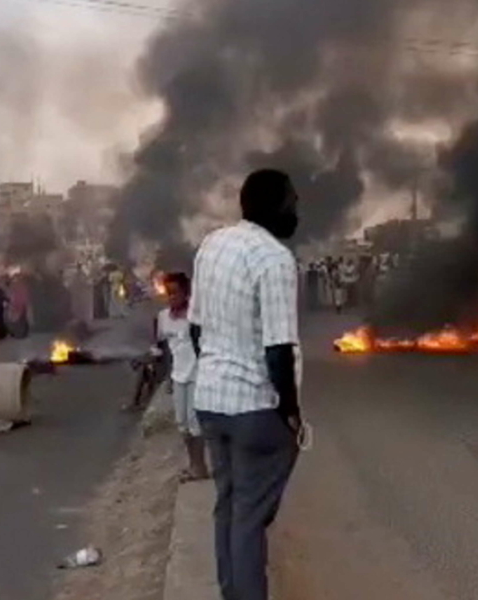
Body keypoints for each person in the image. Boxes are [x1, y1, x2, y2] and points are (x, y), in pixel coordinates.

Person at [190, 169, 302, 600]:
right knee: (250, 517)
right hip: (254, 407)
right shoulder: (274, 258)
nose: (297, 211)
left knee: (230, 507)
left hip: (211, 402)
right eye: (293, 202)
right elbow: (278, 349)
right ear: (275, 205)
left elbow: (197, 330)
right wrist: (290, 412)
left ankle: (231, 593)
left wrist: (218, 371)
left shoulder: (212, 244)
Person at [155, 272, 210, 483]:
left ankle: (200, 466)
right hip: (178, 376)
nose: (171, 297)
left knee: (196, 424)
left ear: (186, 293)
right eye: (168, 293)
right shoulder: (163, 318)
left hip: (197, 374)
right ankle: (193, 464)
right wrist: (167, 377)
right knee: (182, 425)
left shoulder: (195, 317)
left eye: (175, 292)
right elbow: (165, 350)